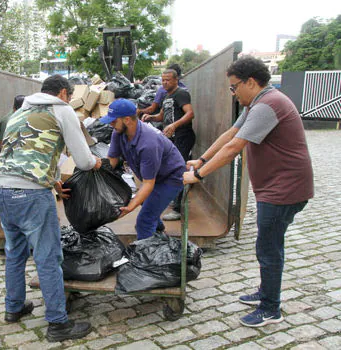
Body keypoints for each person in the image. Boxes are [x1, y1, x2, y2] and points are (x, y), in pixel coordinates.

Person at [183, 56, 313, 327]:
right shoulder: (257, 102)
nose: (233, 92)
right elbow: (230, 134)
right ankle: (266, 293)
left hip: (284, 190)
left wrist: (197, 176)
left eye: (234, 87)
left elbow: (234, 147)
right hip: (274, 188)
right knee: (267, 245)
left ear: (250, 82)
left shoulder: (269, 105)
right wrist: (202, 160)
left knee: (269, 248)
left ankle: (270, 308)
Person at [0, 74, 102, 342]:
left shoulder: (22, 111)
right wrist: (97, 163)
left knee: (15, 253)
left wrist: (54, 181)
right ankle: (57, 324)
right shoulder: (61, 109)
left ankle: (14, 307)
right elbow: (83, 160)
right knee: (48, 258)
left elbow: (25, 154)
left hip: (1, 190)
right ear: (64, 93)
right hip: (31, 195)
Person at [99, 99, 185, 240]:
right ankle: (159, 235)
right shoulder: (118, 132)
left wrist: (130, 207)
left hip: (171, 178)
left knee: (144, 221)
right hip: (152, 175)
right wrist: (96, 172)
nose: (111, 124)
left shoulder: (148, 143)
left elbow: (148, 184)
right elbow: (112, 159)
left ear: (127, 119)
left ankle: (145, 258)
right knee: (149, 205)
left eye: (113, 121)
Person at [143, 69, 195, 221]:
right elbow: (162, 116)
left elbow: (190, 113)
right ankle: (173, 198)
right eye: (163, 80)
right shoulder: (167, 96)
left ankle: (178, 209)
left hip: (182, 137)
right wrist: (151, 117)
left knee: (178, 170)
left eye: (168, 80)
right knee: (169, 169)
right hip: (171, 139)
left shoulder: (181, 93)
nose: (164, 83)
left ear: (176, 80)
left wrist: (174, 125)